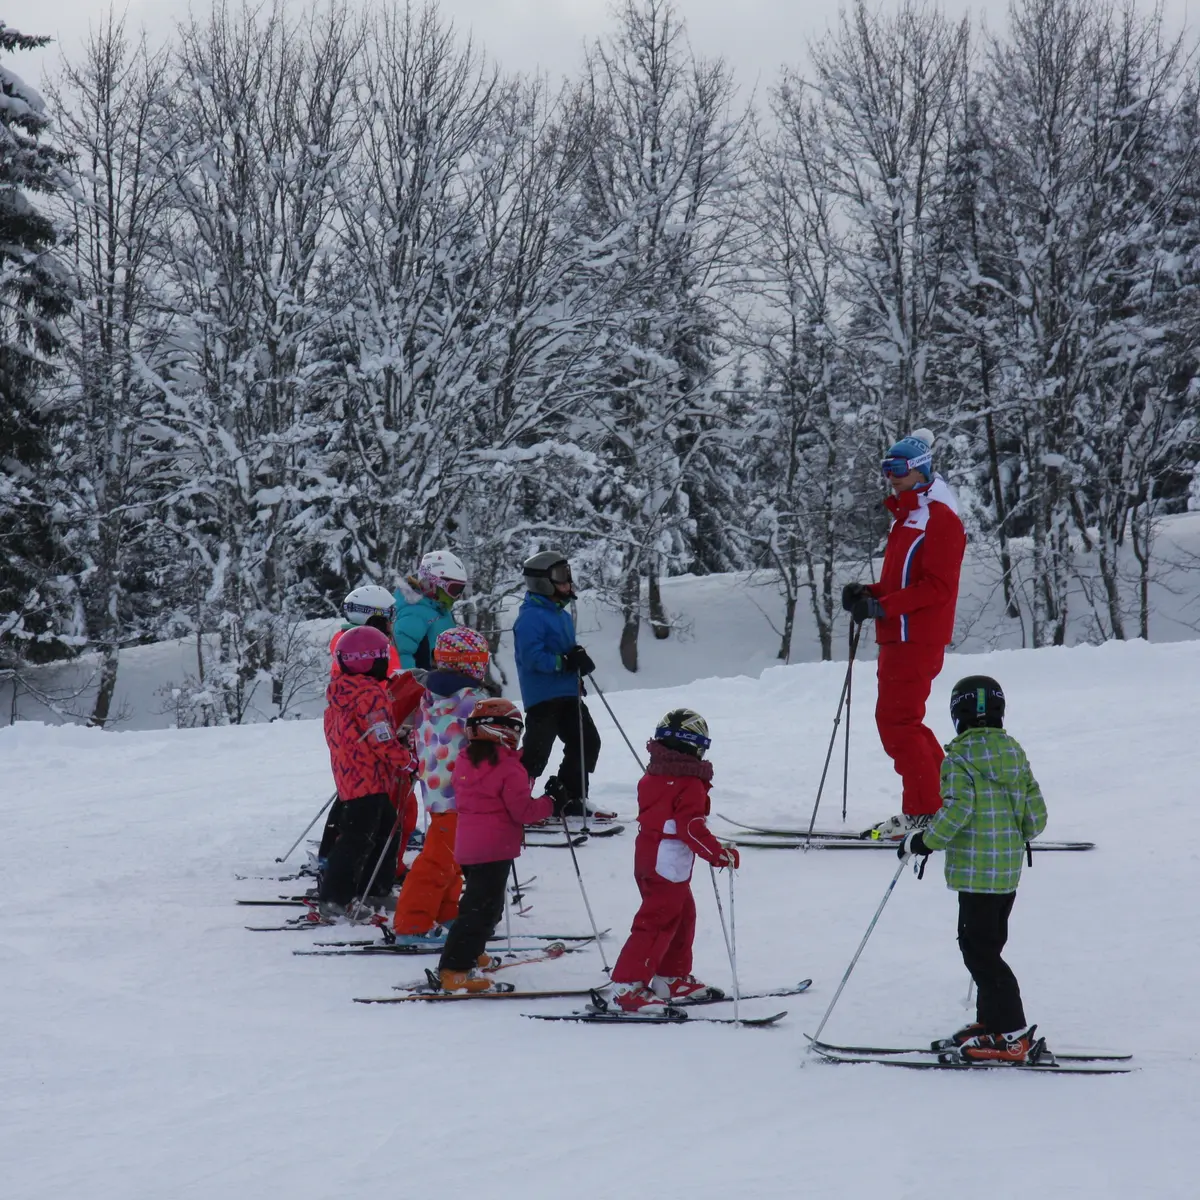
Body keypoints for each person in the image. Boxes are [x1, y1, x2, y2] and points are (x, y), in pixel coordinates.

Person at [898, 675, 1048, 1064]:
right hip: (1006, 875)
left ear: (956, 715)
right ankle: (992, 1024)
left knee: (979, 952)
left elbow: (958, 811)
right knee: (988, 946)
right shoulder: (1014, 752)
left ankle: (1014, 1034)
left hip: (975, 875)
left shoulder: (959, 759)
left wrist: (923, 841)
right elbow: (1035, 818)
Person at [841, 429, 966, 839]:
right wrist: (868, 593)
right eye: (886, 470)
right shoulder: (910, 516)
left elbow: (938, 587)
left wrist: (883, 606)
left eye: (896, 469)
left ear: (919, 469)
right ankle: (945, 801)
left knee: (898, 724)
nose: (890, 477)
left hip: (916, 638)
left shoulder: (940, 518)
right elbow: (900, 582)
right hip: (897, 636)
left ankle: (925, 812)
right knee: (903, 723)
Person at [607, 710, 740, 1015]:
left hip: (653, 856)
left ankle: (670, 978)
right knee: (657, 921)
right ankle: (627, 986)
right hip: (666, 861)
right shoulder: (689, 783)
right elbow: (690, 828)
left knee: (681, 915)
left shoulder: (655, 774)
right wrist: (719, 854)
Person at [436, 699, 553, 994]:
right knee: (480, 912)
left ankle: (472, 952)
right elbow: (524, 811)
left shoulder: (465, 759)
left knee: (484, 906)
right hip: (494, 849)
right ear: (502, 731)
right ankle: (455, 969)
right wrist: (553, 801)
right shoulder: (508, 768)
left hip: (470, 847)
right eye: (515, 730)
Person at [391, 626, 493, 941]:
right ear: (475, 664)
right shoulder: (473, 701)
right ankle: (412, 924)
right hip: (465, 792)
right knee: (439, 859)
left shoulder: (429, 695)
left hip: (438, 789)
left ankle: (446, 913)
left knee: (453, 857)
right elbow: (490, 743)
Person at [321, 585, 422, 886]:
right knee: (366, 828)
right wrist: (405, 758)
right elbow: (380, 728)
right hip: (369, 766)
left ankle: (370, 877)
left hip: (354, 763)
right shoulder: (369, 656)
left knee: (374, 822)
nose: (394, 623)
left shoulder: (347, 651)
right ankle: (345, 888)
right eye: (390, 615)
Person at [512, 551, 604, 818]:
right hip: (543, 697)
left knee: (587, 742)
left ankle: (569, 796)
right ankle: (516, 802)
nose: (568, 583)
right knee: (537, 752)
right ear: (542, 581)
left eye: (568, 576)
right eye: (561, 578)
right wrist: (564, 661)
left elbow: (563, 649)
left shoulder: (561, 615)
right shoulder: (530, 617)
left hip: (567, 693)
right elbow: (531, 657)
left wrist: (577, 658)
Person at [392, 549, 468, 670]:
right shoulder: (413, 614)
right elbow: (403, 656)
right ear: (432, 584)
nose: (456, 596)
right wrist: (415, 687)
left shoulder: (440, 610)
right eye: (453, 589)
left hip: (443, 682)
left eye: (460, 590)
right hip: (424, 685)